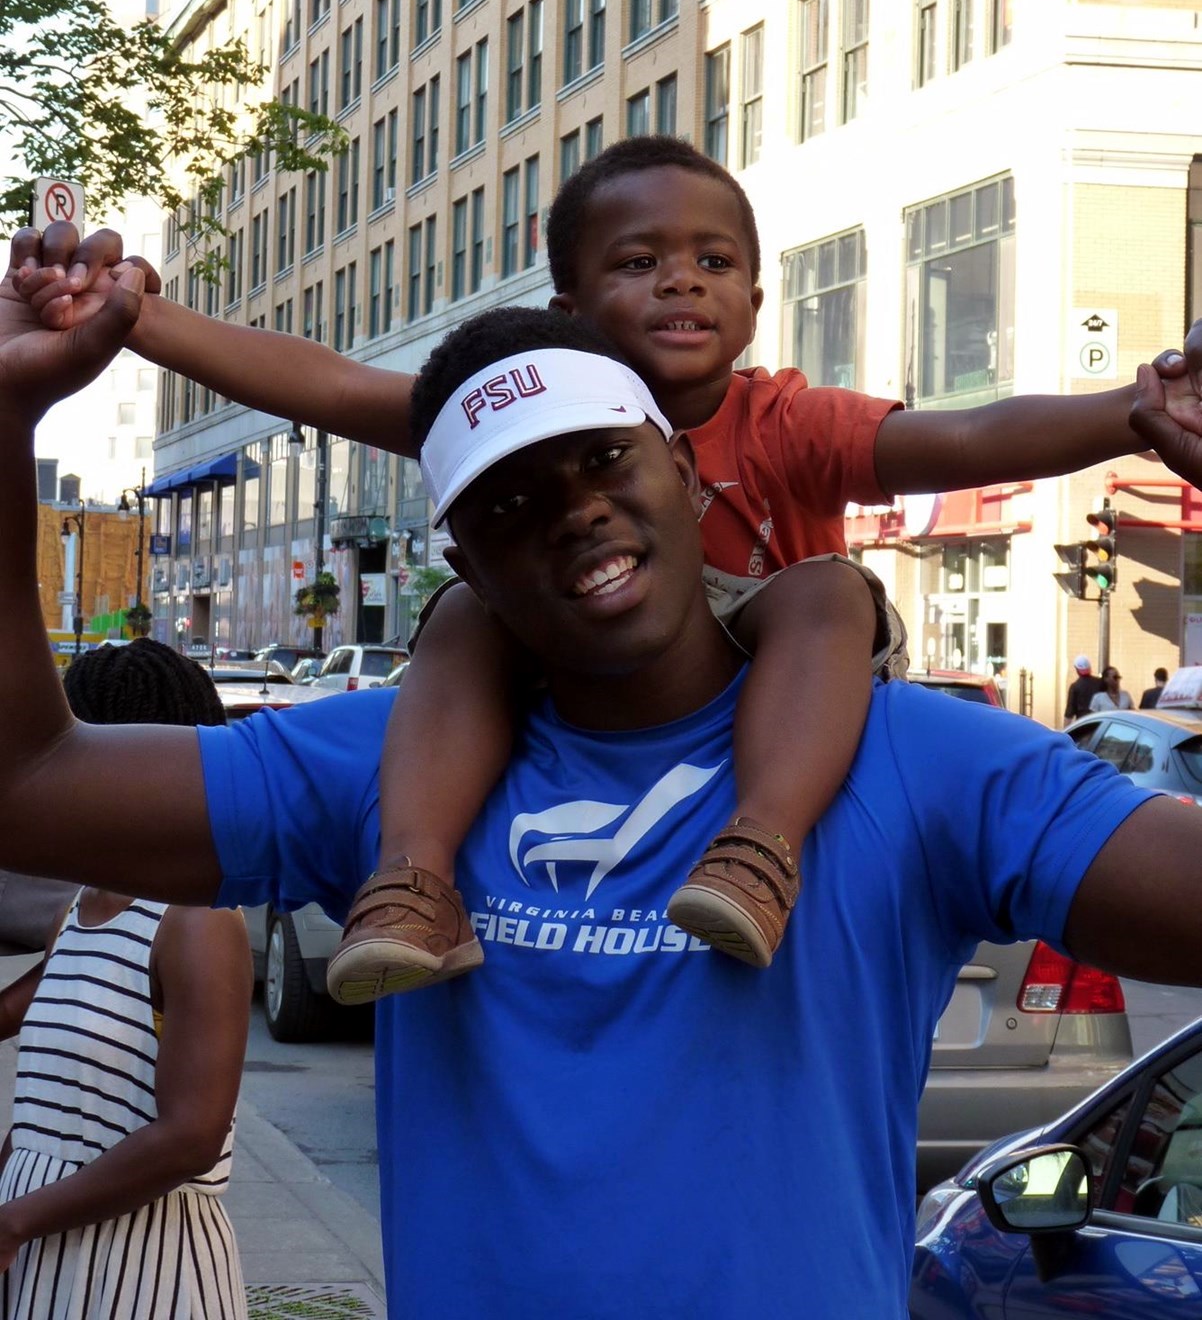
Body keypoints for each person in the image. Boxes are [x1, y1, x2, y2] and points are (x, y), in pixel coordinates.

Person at [5, 273, 1202, 1318]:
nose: (574, 506)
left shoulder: (917, 760)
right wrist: (8, 413)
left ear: (684, 473)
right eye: (509, 500)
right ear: (460, 563)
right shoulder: (383, 762)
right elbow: (33, 786)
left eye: (602, 458)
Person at [10, 139, 1199, 999]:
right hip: (564, 669)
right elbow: (324, 381)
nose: (681, 279)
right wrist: (130, 321)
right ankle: (414, 880)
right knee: (466, 621)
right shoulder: (503, 404)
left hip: (779, 673)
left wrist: (1129, 411)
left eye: (713, 260)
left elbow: (969, 436)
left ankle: (760, 846)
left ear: (752, 297)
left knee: (826, 592)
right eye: (640, 262)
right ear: (569, 303)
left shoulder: (786, 422)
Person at [0, 637, 251, 1320]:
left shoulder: (197, 919)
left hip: (142, 1269)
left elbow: (192, 1136)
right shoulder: (82, 907)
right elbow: (42, 1090)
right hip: (48, 1258)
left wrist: (16, 1219)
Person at [1065, 654, 1106, 719]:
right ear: (1089, 668)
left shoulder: (1075, 686)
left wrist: (1066, 728)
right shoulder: (1101, 683)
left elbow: (1069, 713)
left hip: (1083, 724)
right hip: (1099, 721)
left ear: (1077, 670)